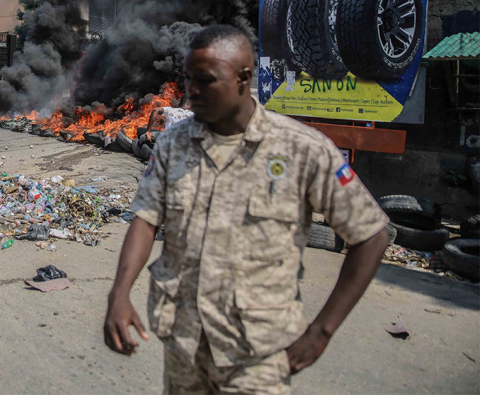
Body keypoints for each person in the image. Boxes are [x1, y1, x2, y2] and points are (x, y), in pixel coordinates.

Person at [104, 25, 389, 394]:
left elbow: (371, 235)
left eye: (205, 80)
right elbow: (145, 219)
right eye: (189, 78)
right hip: (184, 345)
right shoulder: (174, 143)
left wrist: (321, 332)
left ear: (244, 78)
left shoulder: (303, 149)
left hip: (258, 356)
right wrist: (119, 292)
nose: (192, 91)